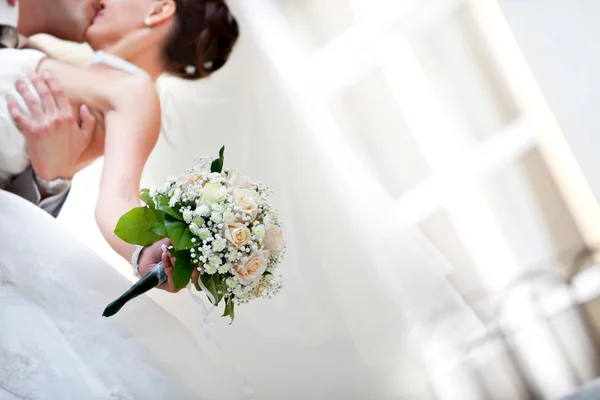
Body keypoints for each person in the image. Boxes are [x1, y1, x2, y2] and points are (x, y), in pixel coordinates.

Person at [0, 0, 239, 289]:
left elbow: (119, 198)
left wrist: (144, 249)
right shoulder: (47, 57)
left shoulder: (134, 93)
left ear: (159, 9)